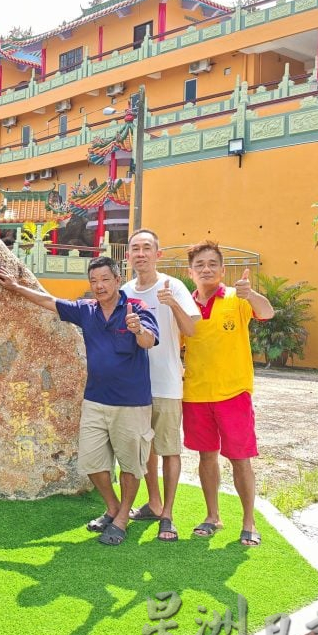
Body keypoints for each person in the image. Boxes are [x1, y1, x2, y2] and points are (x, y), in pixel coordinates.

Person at [0, 257, 159, 546]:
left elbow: (148, 341)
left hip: (132, 404)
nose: (99, 286)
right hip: (95, 400)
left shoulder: (137, 310)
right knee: (93, 461)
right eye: (94, 280)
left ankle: (122, 519)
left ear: (117, 279)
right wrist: (17, 286)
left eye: (105, 279)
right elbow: (49, 302)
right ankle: (112, 507)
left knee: (131, 465)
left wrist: (137, 329)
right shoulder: (87, 311)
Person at [182, 241, 274, 546]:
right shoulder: (185, 306)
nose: (206, 269)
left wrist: (252, 294)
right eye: (200, 265)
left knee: (240, 458)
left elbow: (267, 312)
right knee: (206, 457)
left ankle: (249, 521)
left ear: (222, 270)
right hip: (195, 394)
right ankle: (213, 516)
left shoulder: (237, 299)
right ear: (190, 271)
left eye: (212, 264)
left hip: (233, 393)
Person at [122, 229, 200, 541]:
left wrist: (172, 304)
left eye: (146, 248)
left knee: (168, 449)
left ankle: (168, 513)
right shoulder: (125, 290)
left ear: (158, 254)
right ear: (128, 256)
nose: (140, 254)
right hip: (135, 385)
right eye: (135, 249)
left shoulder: (174, 286)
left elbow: (191, 331)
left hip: (166, 383)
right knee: (145, 450)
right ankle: (153, 503)